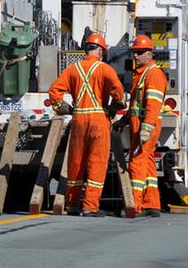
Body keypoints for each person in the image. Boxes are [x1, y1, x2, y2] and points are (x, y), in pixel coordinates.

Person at [48, 33, 124, 217]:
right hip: (98, 119)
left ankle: (73, 204)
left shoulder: (72, 69)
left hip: (79, 119)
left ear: (86, 49)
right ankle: (90, 206)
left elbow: (54, 92)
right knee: (96, 163)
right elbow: (119, 94)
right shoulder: (105, 69)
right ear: (100, 50)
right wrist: (114, 108)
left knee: (76, 162)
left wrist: (65, 109)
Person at [127, 34, 167, 216]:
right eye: (134, 52)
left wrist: (146, 128)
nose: (136, 56)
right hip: (140, 126)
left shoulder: (153, 74)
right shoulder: (141, 74)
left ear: (150, 54)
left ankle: (134, 206)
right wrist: (123, 121)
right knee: (148, 163)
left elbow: (153, 105)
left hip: (146, 127)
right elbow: (136, 105)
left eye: (140, 52)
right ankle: (152, 204)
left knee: (136, 162)